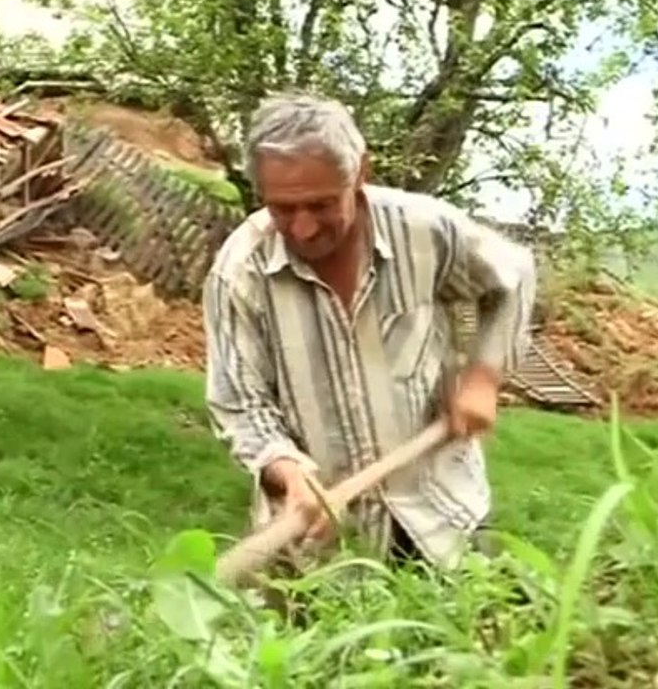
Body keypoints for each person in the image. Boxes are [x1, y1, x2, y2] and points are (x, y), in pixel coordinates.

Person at [203, 93, 537, 573]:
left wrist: (484, 374)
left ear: (361, 172)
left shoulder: (425, 231)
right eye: (282, 208)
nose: (302, 227)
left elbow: (515, 274)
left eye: (320, 204)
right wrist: (289, 472)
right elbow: (239, 403)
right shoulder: (240, 273)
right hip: (318, 553)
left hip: (442, 516)